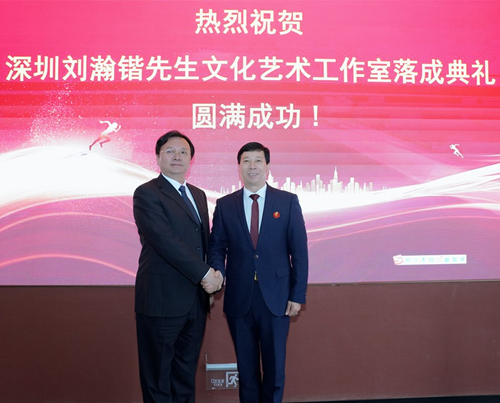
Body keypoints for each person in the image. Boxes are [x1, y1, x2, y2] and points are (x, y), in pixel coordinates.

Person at [209, 142, 309, 403]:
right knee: (247, 371)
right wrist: (218, 273)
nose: (252, 166)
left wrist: (297, 295)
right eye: (246, 161)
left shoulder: (287, 202)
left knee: (274, 370)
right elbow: (217, 247)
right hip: (239, 297)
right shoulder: (225, 205)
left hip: (276, 298)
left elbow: (299, 252)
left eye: (257, 160)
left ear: (267, 166)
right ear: (239, 166)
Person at [133, 130, 223, 403]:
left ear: (191, 159)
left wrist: (213, 276)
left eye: (183, 152)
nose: (177, 156)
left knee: (185, 375)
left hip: (194, 301)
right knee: (158, 378)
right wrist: (205, 274)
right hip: (161, 300)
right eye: (170, 151)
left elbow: (203, 243)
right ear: (158, 157)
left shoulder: (197, 195)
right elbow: (165, 241)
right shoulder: (147, 193)